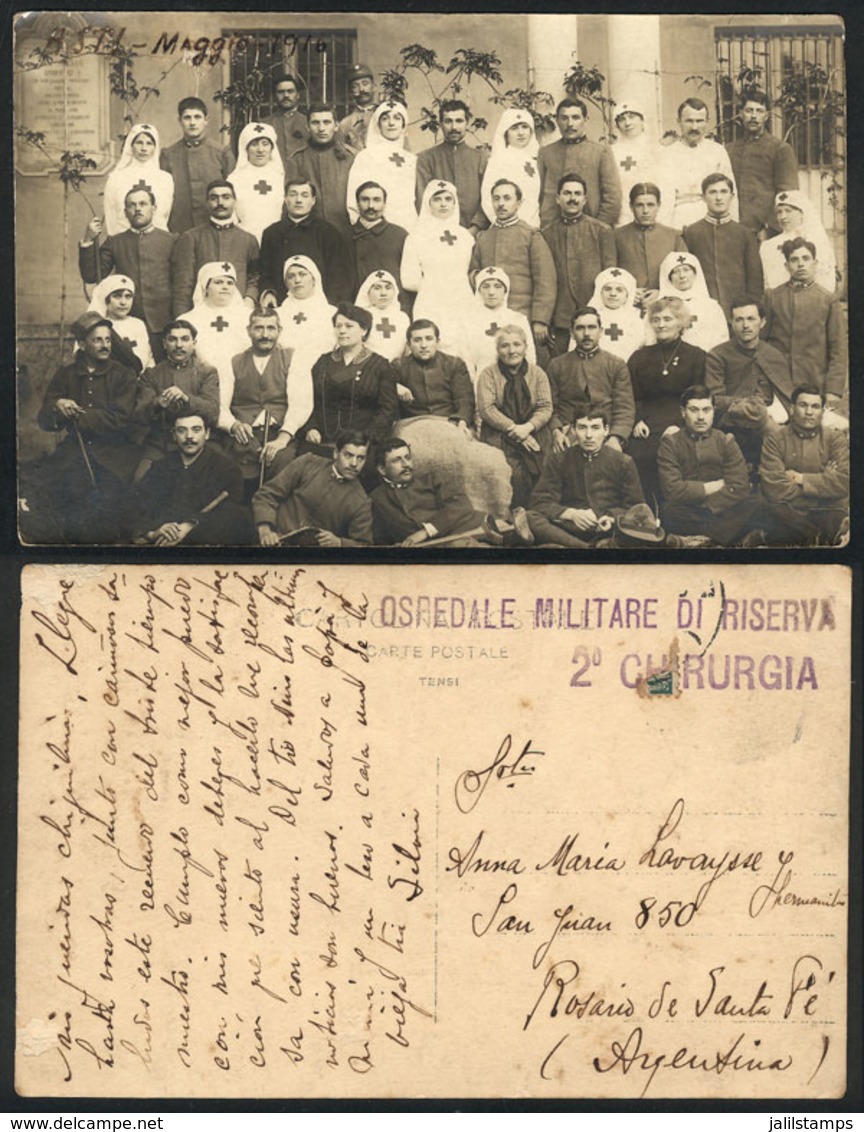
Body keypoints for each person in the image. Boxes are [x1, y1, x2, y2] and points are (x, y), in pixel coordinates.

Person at [26, 313, 137, 542]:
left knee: (104, 506)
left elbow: (121, 420)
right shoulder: (66, 374)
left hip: (115, 455)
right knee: (42, 492)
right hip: (74, 449)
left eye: (107, 340)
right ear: (83, 345)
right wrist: (58, 406)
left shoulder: (123, 375)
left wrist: (76, 415)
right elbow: (44, 421)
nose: (105, 345)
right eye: (97, 340)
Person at [370, 437, 533, 546]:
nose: (406, 464)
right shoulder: (376, 499)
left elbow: (461, 506)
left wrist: (425, 532)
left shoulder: (432, 477)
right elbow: (379, 538)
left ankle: (515, 535)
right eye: (397, 460)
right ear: (382, 469)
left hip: (472, 527)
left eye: (408, 457)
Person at [526, 403, 645, 547]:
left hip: (607, 528)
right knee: (530, 517)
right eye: (582, 428)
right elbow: (539, 503)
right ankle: (585, 548)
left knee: (641, 528)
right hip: (569, 529)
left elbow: (636, 508)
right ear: (574, 429)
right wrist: (570, 514)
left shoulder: (623, 462)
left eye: (595, 428)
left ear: (606, 430)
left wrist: (610, 517)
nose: (589, 435)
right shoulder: (559, 460)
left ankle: (580, 547)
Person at [304, 304, 399, 484]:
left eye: (349, 326)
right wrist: (311, 427)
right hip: (322, 439)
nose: (342, 331)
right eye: (338, 326)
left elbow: (388, 409)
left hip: (363, 442)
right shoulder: (323, 363)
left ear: (364, 330)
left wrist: (367, 439)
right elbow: (310, 400)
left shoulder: (380, 365)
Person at [658, 385, 761, 545]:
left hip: (722, 508)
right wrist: (710, 487)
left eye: (706, 410)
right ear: (683, 412)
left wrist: (709, 507)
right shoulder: (671, 443)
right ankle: (732, 536)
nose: (701, 417)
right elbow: (671, 490)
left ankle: (703, 539)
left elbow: (740, 487)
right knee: (668, 512)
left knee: (756, 503)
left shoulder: (726, 441)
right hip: (688, 510)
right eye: (694, 410)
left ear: (713, 411)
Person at [627, 296, 707, 503]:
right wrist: (638, 419)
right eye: (656, 319)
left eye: (667, 319)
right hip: (647, 423)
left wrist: (681, 424)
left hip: (682, 421)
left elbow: (698, 396)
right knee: (638, 456)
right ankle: (648, 513)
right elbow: (631, 394)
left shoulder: (696, 356)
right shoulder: (639, 357)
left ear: (681, 322)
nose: (661, 325)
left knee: (677, 456)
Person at [131, 411, 254, 546]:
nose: (189, 436)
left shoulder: (226, 469)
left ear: (207, 434)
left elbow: (236, 516)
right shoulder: (160, 468)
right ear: (173, 435)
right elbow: (138, 506)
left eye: (196, 430)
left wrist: (190, 526)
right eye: (182, 430)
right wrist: (153, 532)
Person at [78, 188, 176, 351]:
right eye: (132, 205)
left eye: (143, 204)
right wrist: (88, 240)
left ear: (154, 208)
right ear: (125, 212)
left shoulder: (171, 240)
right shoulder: (115, 242)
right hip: (128, 320)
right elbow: (91, 275)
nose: (137, 209)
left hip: (164, 322)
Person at [705, 295, 794, 471]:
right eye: (739, 320)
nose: (745, 325)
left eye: (751, 319)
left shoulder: (774, 354)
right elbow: (715, 399)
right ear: (731, 323)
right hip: (735, 419)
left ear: (762, 322)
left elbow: (787, 392)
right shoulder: (717, 355)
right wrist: (749, 405)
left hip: (775, 414)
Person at [220, 308, 309, 483]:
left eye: (271, 328)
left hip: (279, 433)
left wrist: (283, 439)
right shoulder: (233, 361)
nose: (265, 334)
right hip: (244, 433)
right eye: (259, 328)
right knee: (235, 471)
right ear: (248, 330)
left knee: (282, 465)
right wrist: (234, 425)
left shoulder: (293, 358)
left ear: (280, 331)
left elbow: (301, 404)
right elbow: (220, 406)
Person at [470, 177, 557, 354]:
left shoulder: (531, 235)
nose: (501, 204)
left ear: (518, 203)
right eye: (496, 198)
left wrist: (540, 320)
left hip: (523, 314)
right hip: (490, 315)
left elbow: (546, 280)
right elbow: (473, 272)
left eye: (507, 198)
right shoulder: (483, 238)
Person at [759, 384, 849, 546]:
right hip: (792, 511)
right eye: (803, 405)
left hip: (828, 510)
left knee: (835, 517)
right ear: (792, 409)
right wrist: (824, 483)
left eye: (815, 407)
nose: (809, 412)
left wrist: (801, 479)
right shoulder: (775, 440)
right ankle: (818, 535)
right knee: (772, 511)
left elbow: (844, 481)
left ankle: (815, 534)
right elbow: (774, 487)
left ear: (822, 411)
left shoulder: (835, 439)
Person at [253, 430, 373, 547]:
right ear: (336, 453)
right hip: (273, 540)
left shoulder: (361, 501)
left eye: (360, 458)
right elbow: (266, 495)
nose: (354, 463)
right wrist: (265, 530)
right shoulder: (308, 464)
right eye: (348, 455)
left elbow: (364, 545)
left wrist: (340, 543)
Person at [540, 173, 617, 357]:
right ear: (558, 199)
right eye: (567, 193)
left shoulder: (602, 231)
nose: (572, 198)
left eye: (577, 194)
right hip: (560, 319)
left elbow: (610, 276)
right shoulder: (546, 234)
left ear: (584, 199)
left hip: (594, 315)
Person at [763, 237, 847, 405]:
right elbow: (761, 342)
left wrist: (833, 390)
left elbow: (838, 349)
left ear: (815, 264)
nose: (800, 264)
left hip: (814, 382)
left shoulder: (828, 300)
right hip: (778, 382)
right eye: (794, 260)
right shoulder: (772, 298)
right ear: (787, 266)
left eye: (805, 258)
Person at [476, 324, 552, 507]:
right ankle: (514, 516)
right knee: (512, 472)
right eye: (505, 346)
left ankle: (541, 512)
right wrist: (513, 429)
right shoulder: (488, 375)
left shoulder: (538, 374)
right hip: (499, 432)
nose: (511, 351)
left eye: (517, 345)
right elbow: (487, 408)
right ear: (497, 350)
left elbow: (545, 407)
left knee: (544, 466)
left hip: (533, 430)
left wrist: (527, 428)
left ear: (526, 347)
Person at [133, 319, 219, 475]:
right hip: (161, 445)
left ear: (194, 343)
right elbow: (139, 415)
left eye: (185, 339)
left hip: (198, 444)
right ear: (164, 343)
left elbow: (212, 413)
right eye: (172, 339)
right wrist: (157, 403)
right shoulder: (152, 374)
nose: (179, 345)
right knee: (141, 481)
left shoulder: (207, 372)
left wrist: (187, 399)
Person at [400, 180, 475, 360]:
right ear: (428, 203)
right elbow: (409, 279)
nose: (443, 204)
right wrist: (434, 286)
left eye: (448, 199)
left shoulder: (465, 236)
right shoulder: (416, 236)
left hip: (463, 299)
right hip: (430, 301)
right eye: (437, 199)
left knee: (464, 348)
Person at [547, 307, 635, 452]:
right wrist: (556, 431)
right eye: (580, 328)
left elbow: (624, 408)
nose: (586, 334)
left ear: (601, 332)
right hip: (568, 433)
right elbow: (550, 406)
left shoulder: (616, 364)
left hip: (606, 433)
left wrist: (616, 437)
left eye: (592, 328)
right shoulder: (557, 365)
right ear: (572, 333)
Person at [170, 180, 260, 317]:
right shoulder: (191, 237)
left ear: (235, 202)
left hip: (237, 311)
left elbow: (255, 275)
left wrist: (250, 298)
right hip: (201, 312)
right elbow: (183, 283)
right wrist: (182, 317)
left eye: (226, 197)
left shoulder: (248, 239)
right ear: (207, 203)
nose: (220, 203)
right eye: (214, 198)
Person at [259, 179, 356, 305]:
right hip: (283, 305)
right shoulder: (271, 233)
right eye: (293, 195)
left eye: (305, 195)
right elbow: (265, 272)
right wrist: (269, 292)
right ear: (285, 198)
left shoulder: (328, 232)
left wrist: (330, 307)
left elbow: (339, 276)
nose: (298, 200)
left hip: (320, 306)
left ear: (313, 200)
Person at [682, 173, 763, 319]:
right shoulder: (692, 233)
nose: (718, 198)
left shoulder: (745, 234)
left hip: (737, 313)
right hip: (703, 310)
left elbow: (755, 280)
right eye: (712, 192)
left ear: (732, 197)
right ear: (703, 197)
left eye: (723, 192)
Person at [538, 98, 621, 229]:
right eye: (564, 118)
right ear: (557, 121)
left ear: (586, 120)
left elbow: (612, 198)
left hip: (591, 230)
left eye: (575, 117)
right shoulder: (546, 153)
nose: (570, 124)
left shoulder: (600, 152)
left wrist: (598, 228)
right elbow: (540, 194)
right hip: (553, 232)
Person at [726, 89, 799, 238]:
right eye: (749, 110)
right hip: (734, 230)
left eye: (759, 111)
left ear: (766, 116)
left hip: (765, 233)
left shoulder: (780, 149)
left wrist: (770, 229)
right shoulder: (729, 150)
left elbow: (788, 195)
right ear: (740, 113)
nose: (754, 116)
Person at [179, 261, 250, 408]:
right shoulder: (187, 319)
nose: (225, 287)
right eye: (218, 282)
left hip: (244, 385)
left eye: (230, 283)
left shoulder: (248, 316)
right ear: (205, 287)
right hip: (202, 385)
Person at [160, 97, 235, 233]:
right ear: (179, 121)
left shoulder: (222, 153)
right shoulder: (168, 155)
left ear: (206, 120)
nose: (192, 123)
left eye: (197, 117)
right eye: (187, 118)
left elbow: (233, 193)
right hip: (180, 227)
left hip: (214, 227)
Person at [659, 98, 737, 230]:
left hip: (712, 219)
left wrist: (732, 226)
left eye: (699, 121)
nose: (694, 127)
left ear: (707, 122)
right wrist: (665, 231)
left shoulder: (717, 151)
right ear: (679, 121)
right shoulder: (668, 154)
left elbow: (730, 193)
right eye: (689, 121)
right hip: (678, 219)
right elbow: (664, 198)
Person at [284, 104, 356, 240]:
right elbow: (290, 201)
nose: (321, 128)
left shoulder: (350, 158)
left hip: (345, 232)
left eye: (326, 122)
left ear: (336, 126)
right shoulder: (297, 159)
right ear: (307, 127)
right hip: (308, 234)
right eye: (315, 123)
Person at [416, 99, 489, 233]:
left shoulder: (481, 158)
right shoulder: (426, 159)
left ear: (467, 123)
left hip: (474, 234)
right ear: (441, 124)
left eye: (459, 121)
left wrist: (475, 228)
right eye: (448, 121)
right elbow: (422, 199)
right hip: (436, 233)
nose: (454, 127)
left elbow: (488, 197)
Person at [346, 102, 418, 234]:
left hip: (408, 227)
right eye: (385, 118)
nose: (391, 123)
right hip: (373, 229)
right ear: (378, 124)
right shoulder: (366, 157)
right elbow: (353, 197)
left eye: (397, 118)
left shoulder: (411, 159)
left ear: (403, 124)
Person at [393, 319, 475, 427]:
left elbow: (464, 400)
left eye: (429, 339)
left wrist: (462, 421)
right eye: (417, 340)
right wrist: (393, 387)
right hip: (412, 425)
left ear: (437, 342)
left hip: (448, 422)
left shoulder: (454, 364)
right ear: (409, 344)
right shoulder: (398, 366)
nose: (423, 345)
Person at [615, 182, 687, 304]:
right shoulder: (616, 236)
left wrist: (663, 292)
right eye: (639, 205)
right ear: (631, 207)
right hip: (627, 305)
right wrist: (627, 290)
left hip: (666, 304)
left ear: (658, 205)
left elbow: (685, 274)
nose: (645, 211)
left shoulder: (674, 236)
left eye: (650, 205)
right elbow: (608, 273)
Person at [275, 256, 337, 395]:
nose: (297, 280)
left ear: (314, 278)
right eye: (291, 276)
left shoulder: (332, 313)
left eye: (302, 274)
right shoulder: (276, 314)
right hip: (282, 381)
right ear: (286, 282)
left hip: (322, 381)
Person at [102, 122, 174, 235]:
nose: (144, 148)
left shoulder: (165, 179)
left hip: (157, 242)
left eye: (149, 143)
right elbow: (111, 217)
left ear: (155, 147)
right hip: (124, 242)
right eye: (139, 143)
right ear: (131, 145)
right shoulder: (116, 178)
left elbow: (164, 215)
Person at [760, 189, 837, 293]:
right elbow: (766, 281)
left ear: (802, 213)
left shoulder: (816, 241)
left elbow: (826, 280)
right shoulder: (768, 246)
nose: (783, 216)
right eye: (779, 212)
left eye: (788, 211)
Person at [465, 266, 535, 379]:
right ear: (478, 290)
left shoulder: (518, 319)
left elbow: (530, 357)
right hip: (481, 383)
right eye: (485, 287)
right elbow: (466, 361)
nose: (491, 292)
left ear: (505, 290)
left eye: (497, 287)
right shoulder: (469, 321)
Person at [652, 250, 729, 352]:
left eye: (686, 270)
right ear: (669, 278)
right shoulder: (660, 307)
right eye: (676, 271)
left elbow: (721, 341)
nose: (682, 276)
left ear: (695, 273)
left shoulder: (711, 306)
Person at [350, 181, 410, 310]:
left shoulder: (400, 235)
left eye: (376, 200)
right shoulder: (344, 235)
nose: (371, 206)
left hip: (389, 310)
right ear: (357, 203)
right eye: (365, 200)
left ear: (384, 204)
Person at [481, 108, 541, 229]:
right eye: (514, 128)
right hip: (507, 227)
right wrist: (505, 225)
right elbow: (488, 197)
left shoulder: (535, 160)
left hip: (532, 228)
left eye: (524, 127)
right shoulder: (498, 160)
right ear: (506, 133)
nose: (521, 133)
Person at [228, 121, 285, 245]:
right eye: (254, 144)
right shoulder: (234, 179)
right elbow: (230, 215)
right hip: (243, 242)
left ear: (272, 148)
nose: (260, 150)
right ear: (246, 148)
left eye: (265, 144)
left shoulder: (281, 177)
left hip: (277, 241)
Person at [87, 274, 153, 373]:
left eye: (128, 296)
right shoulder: (100, 327)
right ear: (106, 299)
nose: (123, 302)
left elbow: (149, 359)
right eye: (117, 296)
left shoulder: (139, 324)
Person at [609, 102, 661, 223]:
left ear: (642, 120)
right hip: (623, 215)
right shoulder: (611, 152)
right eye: (622, 119)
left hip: (653, 214)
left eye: (632, 117)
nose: (627, 123)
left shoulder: (657, 149)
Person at [585, 267, 645, 361]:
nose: (613, 294)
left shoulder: (636, 318)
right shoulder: (588, 319)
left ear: (627, 295)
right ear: (599, 292)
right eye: (607, 289)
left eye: (619, 290)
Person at [355, 270, 409, 362]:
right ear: (367, 292)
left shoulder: (402, 318)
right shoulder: (360, 316)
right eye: (377, 288)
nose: (383, 293)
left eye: (388, 288)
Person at [262, 72, 310, 166]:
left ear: (298, 95)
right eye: (281, 92)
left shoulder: (308, 123)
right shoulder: (265, 125)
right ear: (274, 96)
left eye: (290, 91)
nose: (286, 95)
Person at [338, 63, 377, 151]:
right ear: (351, 92)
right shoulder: (345, 124)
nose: (362, 89)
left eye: (365, 83)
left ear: (374, 87)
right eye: (355, 86)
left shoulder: (386, 117)